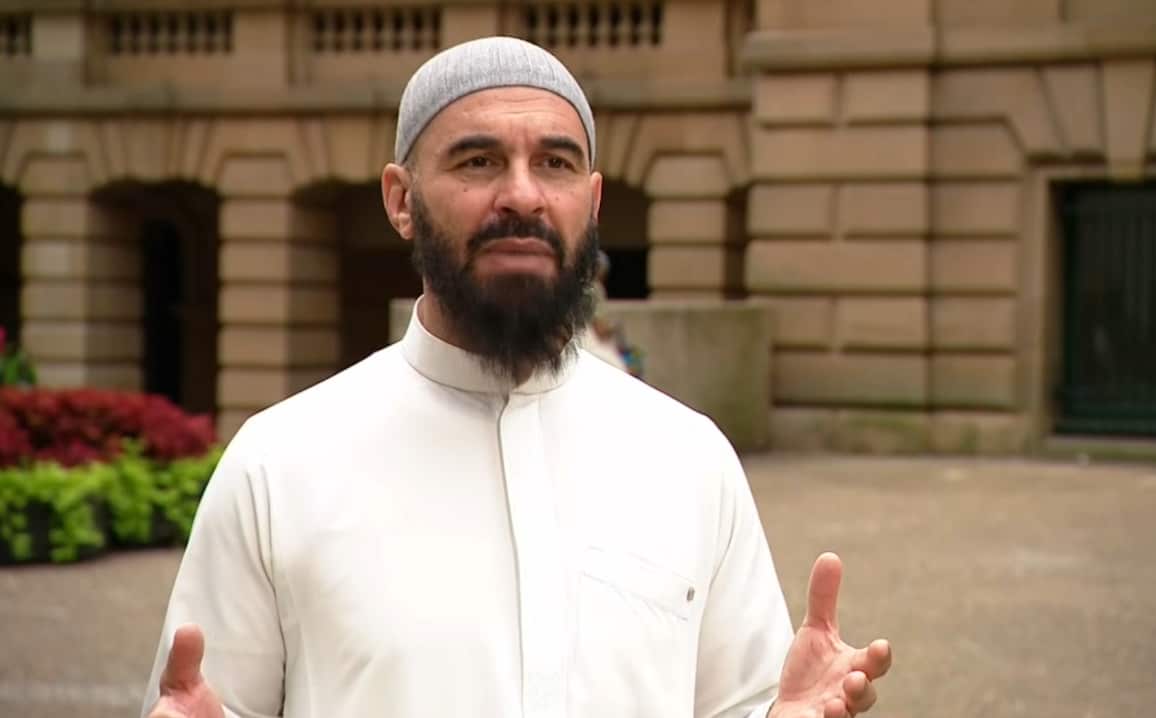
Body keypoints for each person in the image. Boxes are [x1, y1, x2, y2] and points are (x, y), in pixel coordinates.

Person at [142, 36, 891, 718]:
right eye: (478, 161)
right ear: (401, 201)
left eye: (556, 163)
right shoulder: (278, 465)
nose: (524, 195)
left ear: (591, 204)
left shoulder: (691, 459)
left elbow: (738, 704)